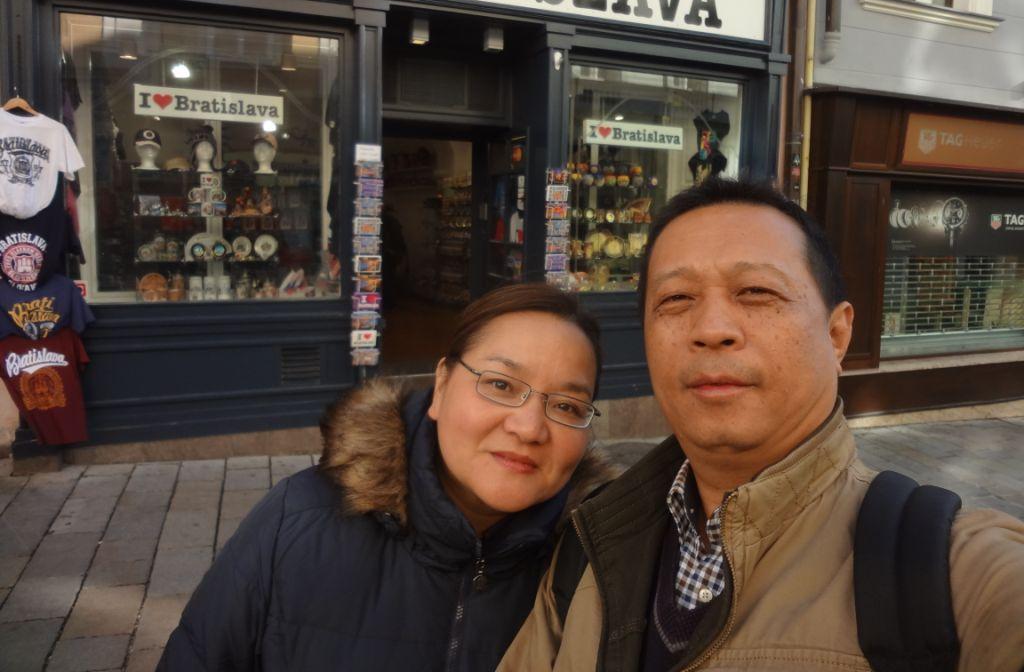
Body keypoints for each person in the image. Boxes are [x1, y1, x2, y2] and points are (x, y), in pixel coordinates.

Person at [499, 178, 1024, 671]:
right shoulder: (589, 545)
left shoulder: (953, 572)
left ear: (837, 336)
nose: (711, 329)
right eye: (676, 299)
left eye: (756, 291)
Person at [158, 283, 617, 671]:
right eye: (500, 385)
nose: (529, 428)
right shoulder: (295, 523)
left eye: (566, 406)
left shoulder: (604, 568)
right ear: (442, 386)